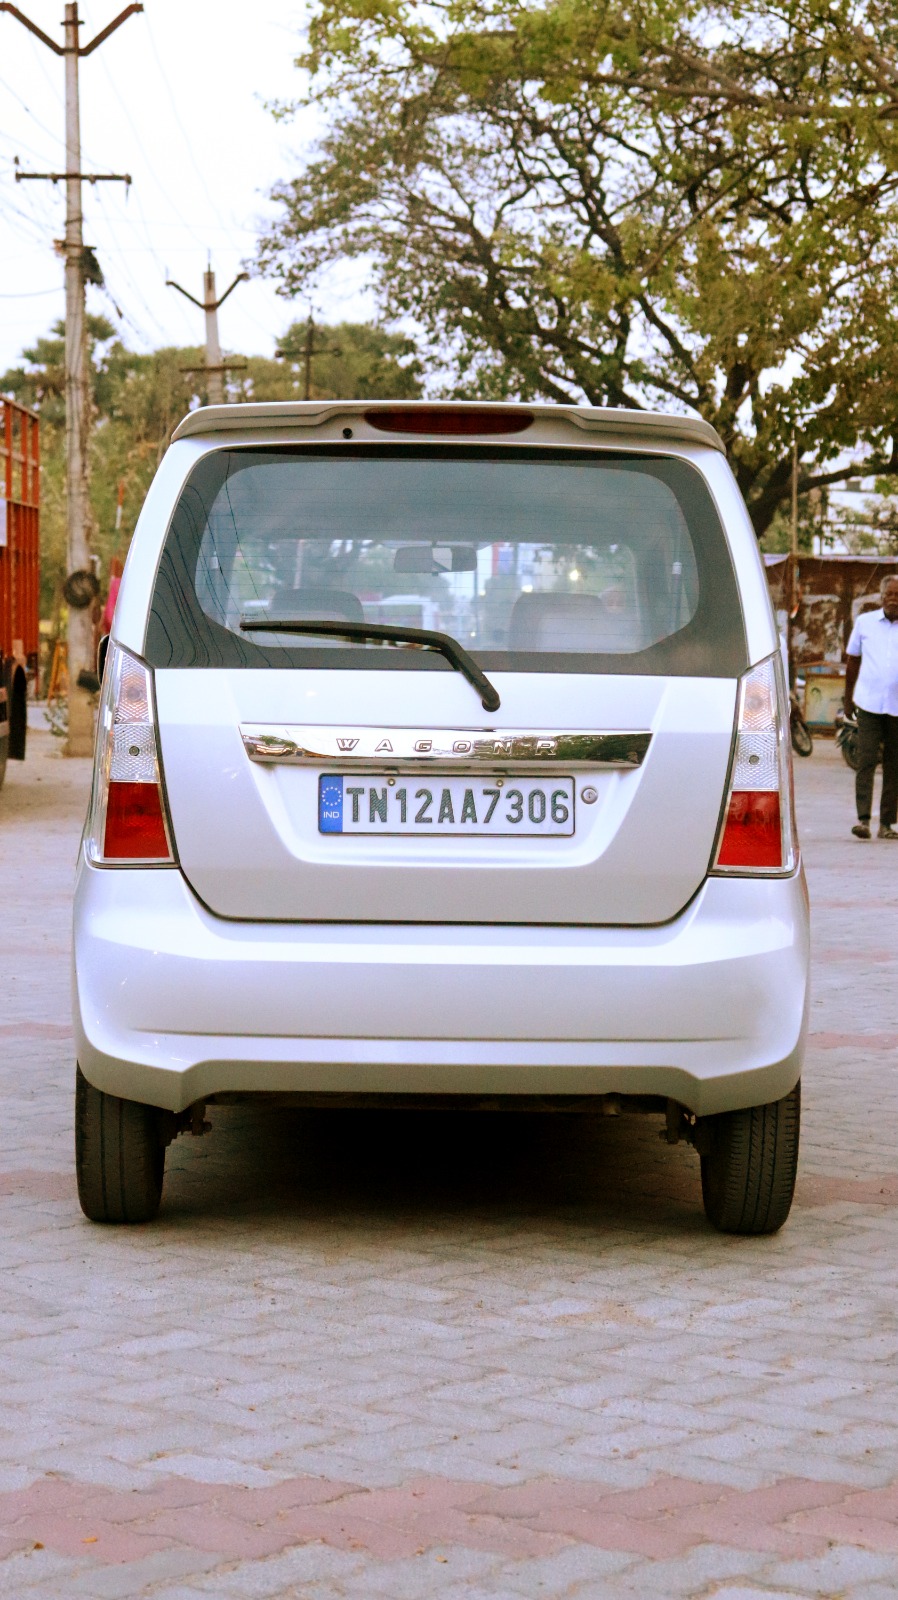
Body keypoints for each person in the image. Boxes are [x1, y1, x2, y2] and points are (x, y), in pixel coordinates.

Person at [844, 574, 898, 840]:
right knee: (865, 760)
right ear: (881, 597)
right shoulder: (865, 623)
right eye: (889, 594)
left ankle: (886, 824)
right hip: (868, 703)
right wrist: (847, 699)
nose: (893, 599)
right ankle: (863, 820)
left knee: (894, 765)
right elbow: (853, 660)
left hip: (897, 707)